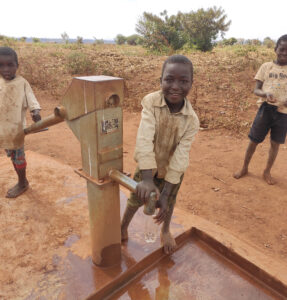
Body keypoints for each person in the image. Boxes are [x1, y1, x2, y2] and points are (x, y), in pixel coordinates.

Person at [121, 55, 199, 254]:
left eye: (183, 81)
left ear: (191, 83)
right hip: (149, 165)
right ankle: (122, 227)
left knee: (168, 203)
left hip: (172, 170)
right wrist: (147, 179)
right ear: (161, 80)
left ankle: (165, 231)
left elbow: (181, 156)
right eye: (169, 79)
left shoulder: (191, 120)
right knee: (136, 197)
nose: (175, 86)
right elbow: (145, 138)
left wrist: (164, 193)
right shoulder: (151, 102)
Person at [234, 34, 287, 184]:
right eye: (282, 49)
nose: (284, 53)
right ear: (276, 49)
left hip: (283, 114)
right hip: (265, 110)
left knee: (275, 144)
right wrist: (265, 94)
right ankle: (244, 167)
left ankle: (267, 172)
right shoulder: (266, 67)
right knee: (253, 140)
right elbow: (256, 90)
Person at [0, 47, 41, 197]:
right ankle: (21, 180)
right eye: (1, 65)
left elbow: (32, 99)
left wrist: (35, 111)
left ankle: (22, 182)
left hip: (16, 130)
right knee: (12, 156)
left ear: (17, 65)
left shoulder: (22, 83)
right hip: (3, 131)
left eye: (10, 64)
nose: (6, 69)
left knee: (18, 158)